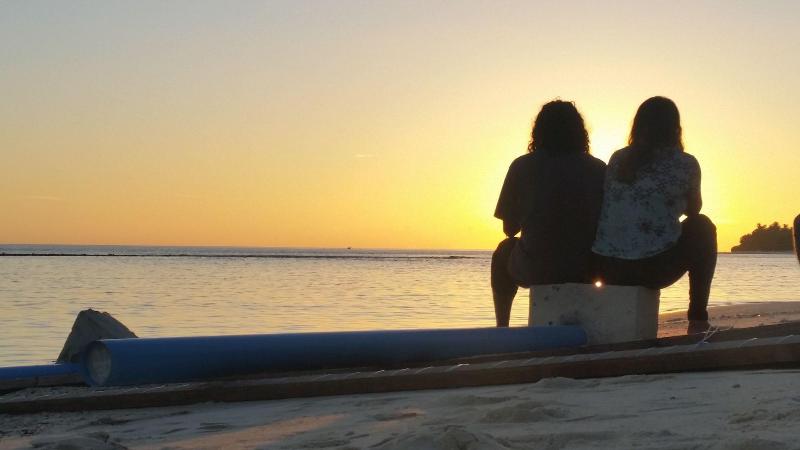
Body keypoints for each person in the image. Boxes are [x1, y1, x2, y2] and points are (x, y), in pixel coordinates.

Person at [592, 96, 717, 334]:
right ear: (675, 128)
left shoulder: (618, 159)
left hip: (608, 268)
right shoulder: (686, 163)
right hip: (653, 269)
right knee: (702, 226)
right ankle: (698, 319)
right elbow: (694, 210)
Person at [491, 100, 606, 327]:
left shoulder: (521, 166)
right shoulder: (600, 168)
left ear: (538, 131)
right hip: (588, 269)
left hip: (538, 269)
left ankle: (502, 326)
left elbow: (509, 229)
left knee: (503, 251)